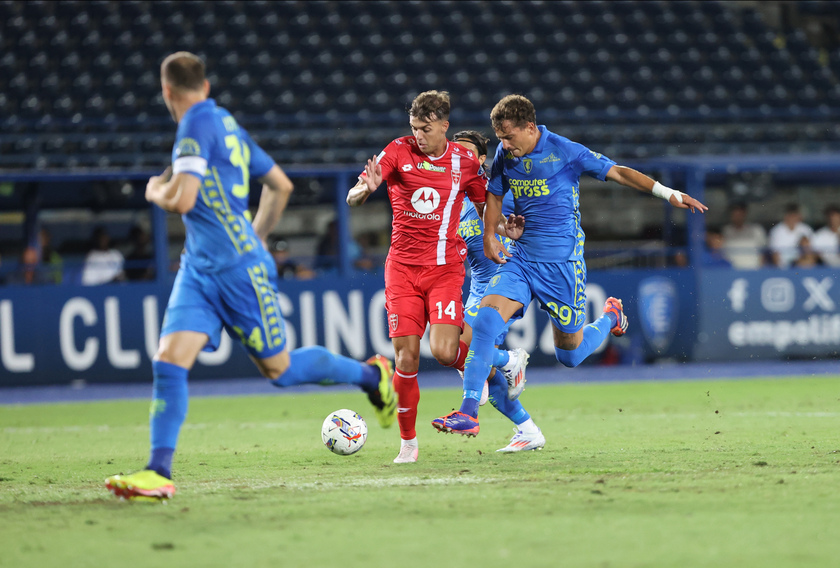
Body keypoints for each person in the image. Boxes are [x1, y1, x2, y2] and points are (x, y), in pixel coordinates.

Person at [105, 52, 396, 501]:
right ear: (204, 85)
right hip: (200, 268)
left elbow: (181, 199)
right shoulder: (226, 124)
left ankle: (370, 376)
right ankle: (157, 471)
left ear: (167, 92)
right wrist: (255, 234)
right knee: (169, 359)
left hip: (237, 272)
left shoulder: (195, 126)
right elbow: (280, 184)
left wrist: (154, 190)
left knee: (278, 370)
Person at [433, 94, 708, 436]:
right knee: (486, 320)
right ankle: (468, 412)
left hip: (562, 266)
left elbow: (618, 172)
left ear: (530, 127)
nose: (504, 145)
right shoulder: (506, 154)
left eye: (509, 137)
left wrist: (668, 193)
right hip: (521, 260)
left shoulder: (565, 151)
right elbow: (493, 195)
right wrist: (490, 235)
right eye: (500, 137)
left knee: (570, 355)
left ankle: (611, 317)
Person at [346, 91, 522, 463]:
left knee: (444, 352)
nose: (418, 135)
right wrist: (364, 190)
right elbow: (354, 194)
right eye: (413, 128)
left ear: (444, 125)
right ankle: (408, 443)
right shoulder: (397, 151)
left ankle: (501, 361)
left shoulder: (463, 161)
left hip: (443, 270)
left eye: (425, 128)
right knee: (406, 359)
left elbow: (482, 208)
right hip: (402, 271)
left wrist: (506, 228)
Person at [451, 130, 544, 452]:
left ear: (479, 160)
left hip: (505, 284)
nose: (458, 158)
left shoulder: (497, 188)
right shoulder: (451, 197)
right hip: (477, 287)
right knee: (473, 367)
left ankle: (509, 359)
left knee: (467, 356)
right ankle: (528, 429)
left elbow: (525, 223)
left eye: (466, 153)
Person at [721, 201, 766, 269]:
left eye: (740, 213)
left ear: (745, 213)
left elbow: (762, 253)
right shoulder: (726, 231)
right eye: (735, 213)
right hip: (731, 271)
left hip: (753, 270)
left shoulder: (756, 229)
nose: (737, 216)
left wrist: (760, 272)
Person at [768, 203, 815, 268]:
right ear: (786, 215)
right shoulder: (776, 231)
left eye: (795, 214)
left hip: (801, 265)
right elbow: (775, 254)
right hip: (783, 267)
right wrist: (781, 270)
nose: (793, 217)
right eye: (791, 214)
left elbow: (811, 252)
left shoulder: (806, 229)